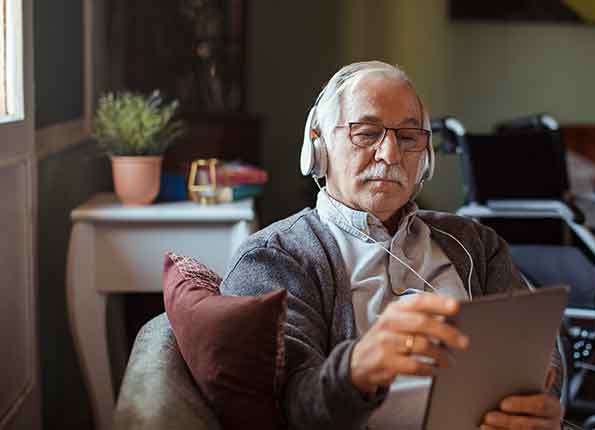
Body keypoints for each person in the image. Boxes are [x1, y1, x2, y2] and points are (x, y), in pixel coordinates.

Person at [220, 60, 564, 430]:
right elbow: (286, 409)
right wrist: (357, 369)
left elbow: (542, 358)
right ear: (318, 146)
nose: (390, 154)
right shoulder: (275, 258)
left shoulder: (476, 244)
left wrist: (538, 400)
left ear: (425, 157)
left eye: (408, 137)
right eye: (366, 133)